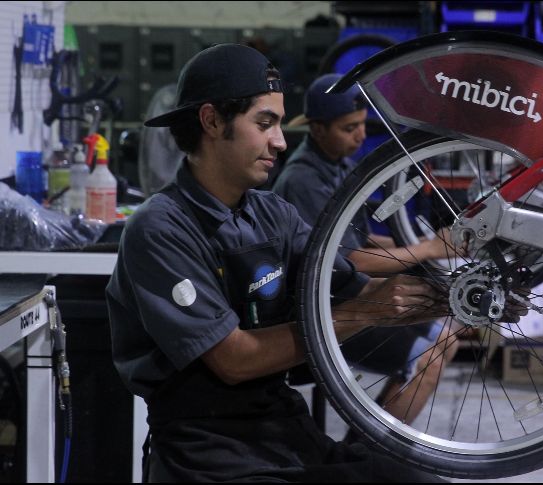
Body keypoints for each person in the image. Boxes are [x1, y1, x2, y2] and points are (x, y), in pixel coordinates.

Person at [105, 43, 446, 482]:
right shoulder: (160, 229)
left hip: (285, 432)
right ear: (211, 121)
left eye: (280, 124)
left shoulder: (273, 215)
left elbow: (349, 284)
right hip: (209, 455)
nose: (281, 142)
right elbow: (234, 360)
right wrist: (366, 311)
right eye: (264, 123)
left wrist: (454, 295)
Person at [273, 73, 461, 425]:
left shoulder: (337, 165)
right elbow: (346, 259)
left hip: (349, 293)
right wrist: (426, 251)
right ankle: (368, 462)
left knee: (445, 339)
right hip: (323, 312)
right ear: (317, 129)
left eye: (361, 124)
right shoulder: (303, 180)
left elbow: (364, 241)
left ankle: (368, 449)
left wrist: (432, 248)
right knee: (426, 360)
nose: (360, 135)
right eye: (348, 128)